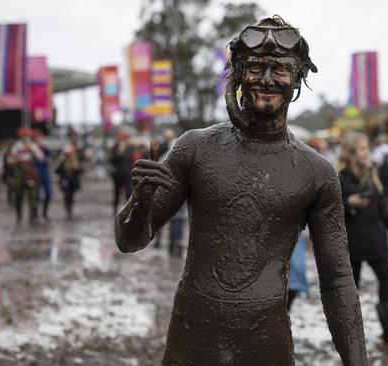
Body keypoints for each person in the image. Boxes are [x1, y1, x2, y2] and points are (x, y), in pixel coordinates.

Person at [114, 16, 367, 365]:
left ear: (297, 78)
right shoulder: (196, 148)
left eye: (278, 69)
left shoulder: (316, 172)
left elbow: (338, 280)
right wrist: (140, 204)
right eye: (256, 68)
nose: (266, 80)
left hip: (265, 343)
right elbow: (129, 241)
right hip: (192, 340)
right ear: (238, 75)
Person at [337, 131, 388, 343]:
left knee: (386, 281)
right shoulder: (339, 178)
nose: (366, 153)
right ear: (351, 152)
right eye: (362, 149)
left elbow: (382, 211)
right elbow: (328, 212)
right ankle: (350, 335)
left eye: (366, 148)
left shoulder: (372, 175)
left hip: (377, 241)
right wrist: (348, 204)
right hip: (353, 243)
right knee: (352, 291)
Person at [10, 128, 43, 223]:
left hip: (30, 171)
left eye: (26, 135)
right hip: (20, 171)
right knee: (18, 193)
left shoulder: (33, 146)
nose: (25, 137)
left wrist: (32, 152)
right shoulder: (16, 146)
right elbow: (11, 160)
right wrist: (17, 158)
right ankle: (19, 214)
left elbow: (40, 158)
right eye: (23, 135)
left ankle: (33, 215)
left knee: (32, 194)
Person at [56, 144, 83, 219]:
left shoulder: (75, 161)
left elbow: (80, 171)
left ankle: (70, 209)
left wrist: (76, 168)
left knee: (71, 196)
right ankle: (68, 210)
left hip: (72, 182)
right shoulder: (62, 162)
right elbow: (57, 170)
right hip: (65, 181)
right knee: (67, 195)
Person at [110, 132, 134, 214]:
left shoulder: (129, 148)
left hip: (127, 174)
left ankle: (129, 210)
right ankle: (115, 210)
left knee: (128, 193)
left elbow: (130, 160)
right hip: (117, 175)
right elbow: (112, 161)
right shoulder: (114, 148)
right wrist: (119, 152)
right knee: (117, 193)